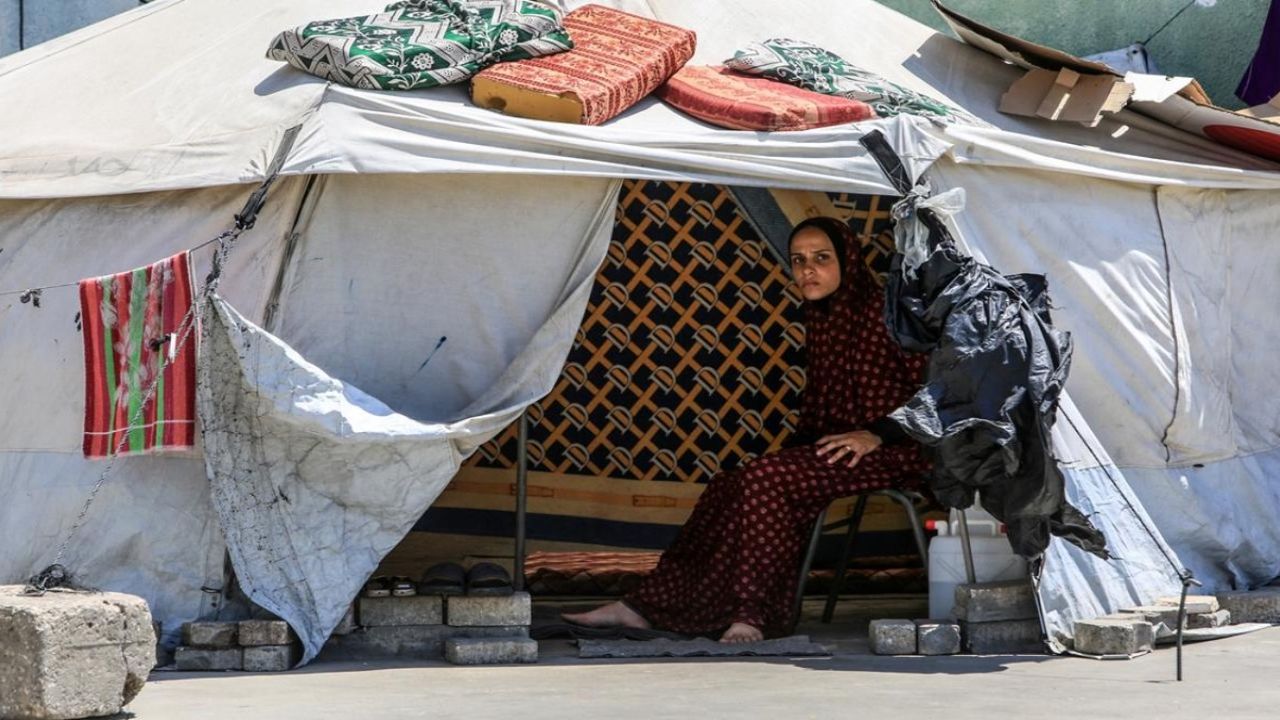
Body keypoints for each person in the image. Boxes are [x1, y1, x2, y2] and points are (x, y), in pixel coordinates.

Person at [563, 217, 930, 643]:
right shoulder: (824, 319)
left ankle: (752, 616)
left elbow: (938, 390)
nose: (808, 270)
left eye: (821, 259)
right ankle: (642, 607)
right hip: (839, 451)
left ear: (847, 262)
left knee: (764, 481)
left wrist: (879, 433)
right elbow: (821, 412)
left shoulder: (891, 316)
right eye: (799, 260)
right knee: (729, 484)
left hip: (897, 451)